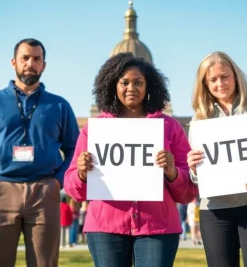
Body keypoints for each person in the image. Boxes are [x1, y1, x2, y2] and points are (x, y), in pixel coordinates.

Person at [64, 52, 198, 267]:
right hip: (105, 226)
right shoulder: (95, 129)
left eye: (138, 82)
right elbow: (73, 189)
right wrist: (81, 172)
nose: (131, 88)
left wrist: (172, 171)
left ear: (149, 86)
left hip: (158, 227)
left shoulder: (169, 127)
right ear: (112, 85)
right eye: (124, 82)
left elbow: (189, 192)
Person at [0, 38, 79, 267]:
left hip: (45, 191)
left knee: (45, 263)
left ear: (44, 65)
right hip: (0, 189)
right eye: (25, 58)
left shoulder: (59, 106)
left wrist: (57, 181)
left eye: (37, 59)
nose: (30, 63)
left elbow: (74, 148)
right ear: (14, 62)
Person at [187, 51, 247, 267]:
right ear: (205, 84)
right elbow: (197, 177)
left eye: (224, 76)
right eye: (213, 79)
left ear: (235, 75)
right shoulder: (199, 118)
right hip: (215, 209)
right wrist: (193, 168)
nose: (220, 83)